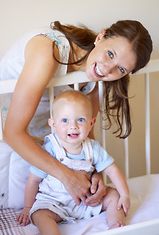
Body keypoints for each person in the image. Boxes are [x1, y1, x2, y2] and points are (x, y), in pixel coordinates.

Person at [1, 20, 152, 206]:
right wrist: (67, 176)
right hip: (11, 140)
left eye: (121, 69)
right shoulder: (47, 52)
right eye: (110, 54)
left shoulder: (92, 78)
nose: (107, 69)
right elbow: (12, 133)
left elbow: (87, 133)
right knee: (20, 209)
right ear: (100, 37)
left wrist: (96, 173)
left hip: (47, 144)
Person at [17, 90, 130, 234]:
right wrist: (28, 207)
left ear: (91, 123)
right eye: (65, 120)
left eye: (81, 120)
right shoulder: (51, 148)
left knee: (114, 195)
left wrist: (125, 195)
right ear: (53, 124)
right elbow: (33, 180)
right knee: (40, 214)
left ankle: (116, 224)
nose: (73, 126)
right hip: (54, 203)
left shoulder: (93, 148)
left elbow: (112, 170)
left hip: (86, 203)